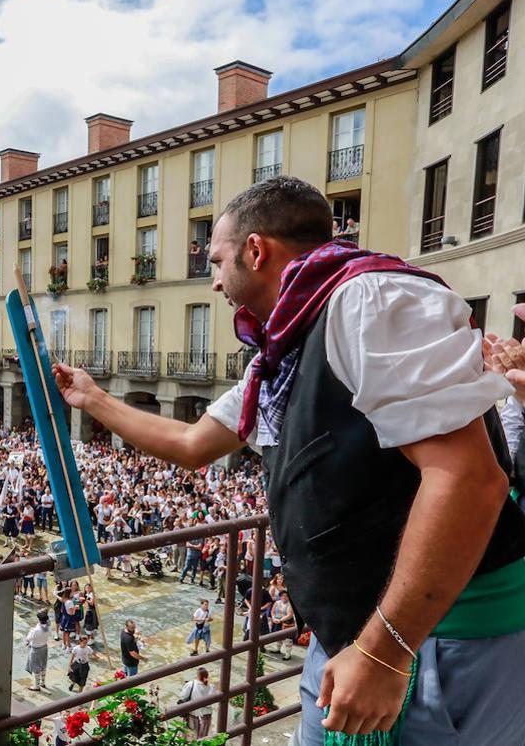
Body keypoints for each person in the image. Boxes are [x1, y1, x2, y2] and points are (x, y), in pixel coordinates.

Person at [56, 176, 525, 744]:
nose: (214, 283)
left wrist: (381, 655)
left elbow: (470, 481)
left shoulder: (367, 299)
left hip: (436, 644)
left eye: (218, 260)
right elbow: (191, 445)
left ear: (256, 251)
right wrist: (92, 398)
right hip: (357, 637)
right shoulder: (280, 350)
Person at [178, 667, 215, 739]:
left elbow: (182, 696)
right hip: (207, 716)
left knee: (191, 737)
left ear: (197, 675)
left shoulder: (191, 684)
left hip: (194, 714)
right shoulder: (211, 687)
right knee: (203, 738)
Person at [24, 610, 50, 691]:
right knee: (43, 665)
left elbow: (28, 638)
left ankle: (37, 686)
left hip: (36, 649)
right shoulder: (48, 627)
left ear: (39, 619)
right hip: (44, 647)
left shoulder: (35, 630)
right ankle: (42, 682)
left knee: (36, 668)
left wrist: (31, 630)